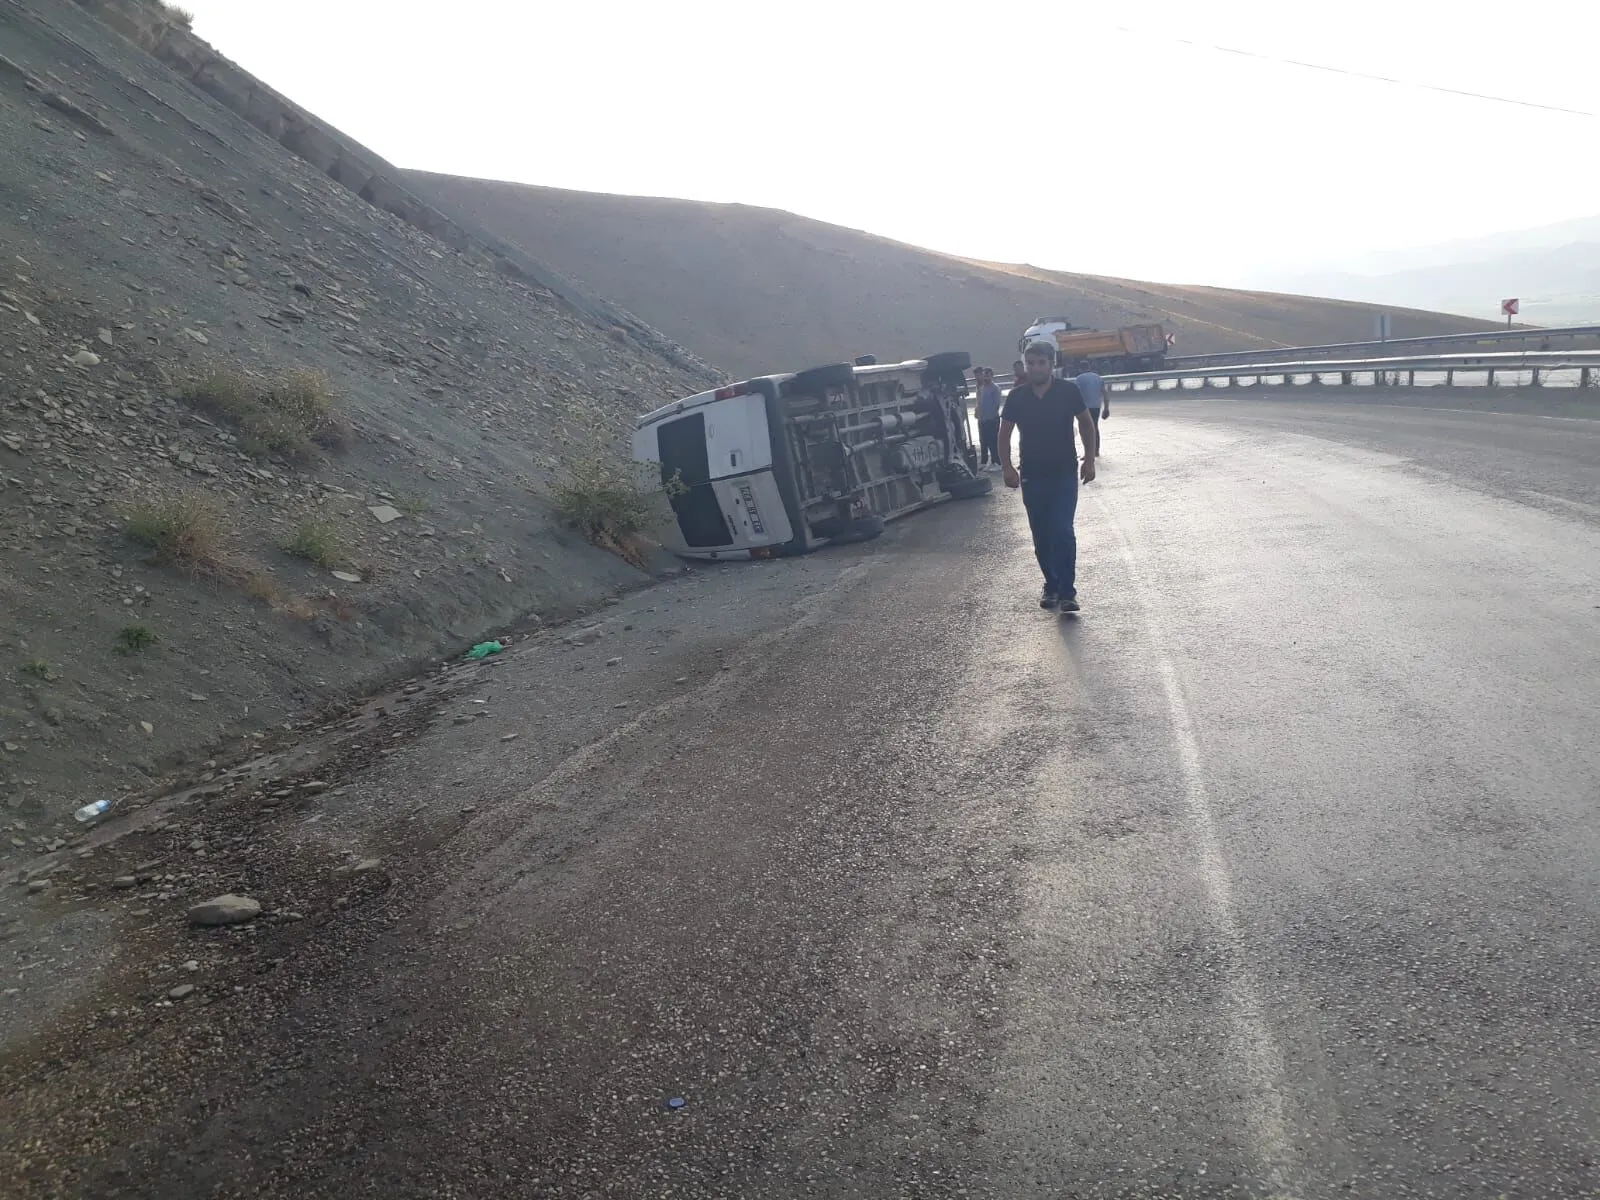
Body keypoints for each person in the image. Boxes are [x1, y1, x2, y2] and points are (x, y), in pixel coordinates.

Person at [999, 343, 1096, 612]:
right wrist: (1007, 467)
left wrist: (1089, 459)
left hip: (1063, 473)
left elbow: (1086, 423)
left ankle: (1067, 592)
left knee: (1063, 530)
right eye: (1030, 363)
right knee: (1041, 535)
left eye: (1041, 363)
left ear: (1051, 364)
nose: (1035, 368)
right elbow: (1004, 434)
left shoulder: (1068, 391)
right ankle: (1051, 585)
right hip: (1032, 474)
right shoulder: (1017, 397)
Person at [975, 367, 1003, 468]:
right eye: (984, 375)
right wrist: (978, 413)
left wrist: (990, 417)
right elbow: (979, 403)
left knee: (993, 441)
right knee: (983, 441)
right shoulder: (981, 389)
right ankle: (984, 462)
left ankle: (997, 462)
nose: (985, 377)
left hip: (992, 420)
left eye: (987, 374)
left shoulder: (995, 389)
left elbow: (996, 405)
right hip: (982, 420)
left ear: (992, 376)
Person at [1074, 369, 1106, 455]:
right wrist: (1106, 408)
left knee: (1083, 430)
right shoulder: (1098, 377)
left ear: (1080, 368)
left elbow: (1075, 393)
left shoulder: (1079, 378)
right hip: (1096, 407)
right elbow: (1105, 393)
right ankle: (1096, 450)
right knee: (1095, 427)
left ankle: (1088, 452)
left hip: (1084, 408)